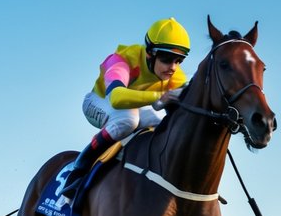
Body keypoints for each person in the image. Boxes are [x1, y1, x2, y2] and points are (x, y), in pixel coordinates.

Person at [59, 18, 192, 198]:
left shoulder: (173, 74)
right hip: (98, 101)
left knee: (162, 125)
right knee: (127, 120)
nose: (173, 67)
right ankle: (79, 169)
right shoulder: (122, 60)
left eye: (179, 60)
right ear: (150, 54)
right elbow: (115, 98)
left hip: (134, 107)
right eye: (167, 59)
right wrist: (158, 97)